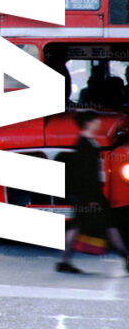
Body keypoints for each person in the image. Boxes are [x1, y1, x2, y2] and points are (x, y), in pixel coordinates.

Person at [57, 110, 129, 274]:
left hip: (90, 195)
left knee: (78, 228)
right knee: (110, 226)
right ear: (89, 123)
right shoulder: (84, 144)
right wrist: (92, 197)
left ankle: (64, 261)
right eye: (96, 121)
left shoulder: (87, 142)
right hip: (90, 196)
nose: (99, 123)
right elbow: (84, 174)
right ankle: (125, 258)